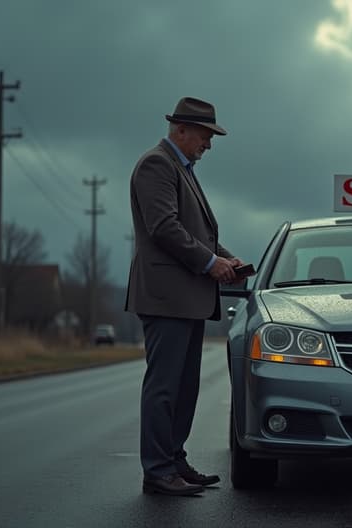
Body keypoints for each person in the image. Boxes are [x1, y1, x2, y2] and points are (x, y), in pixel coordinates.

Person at [125, 96, 244, 496]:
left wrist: (226, 257)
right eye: (205, 136)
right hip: (166, 297)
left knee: (184, 386)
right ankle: (158, 470)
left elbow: (197, 230)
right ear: (180, 130)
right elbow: (164, 227)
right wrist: (210, 263)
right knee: (164, 387)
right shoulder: (156, 164)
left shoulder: (182, 168)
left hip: (187, 297)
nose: (208, 145)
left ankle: (174, 461)